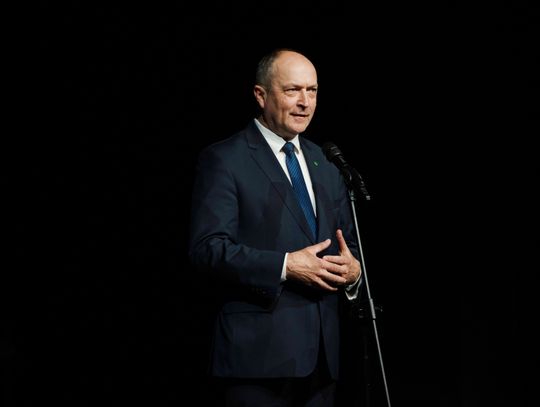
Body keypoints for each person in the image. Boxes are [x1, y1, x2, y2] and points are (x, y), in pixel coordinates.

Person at [188, 48, 362, 406]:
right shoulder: (225, 159)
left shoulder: (326, 162)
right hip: (257, 361)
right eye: (292, 90)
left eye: (312, 91)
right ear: (260, 95)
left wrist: (354, 272)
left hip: (322, 363)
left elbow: (350, 246)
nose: (305, 102)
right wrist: (285, 265)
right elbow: (207, 249)